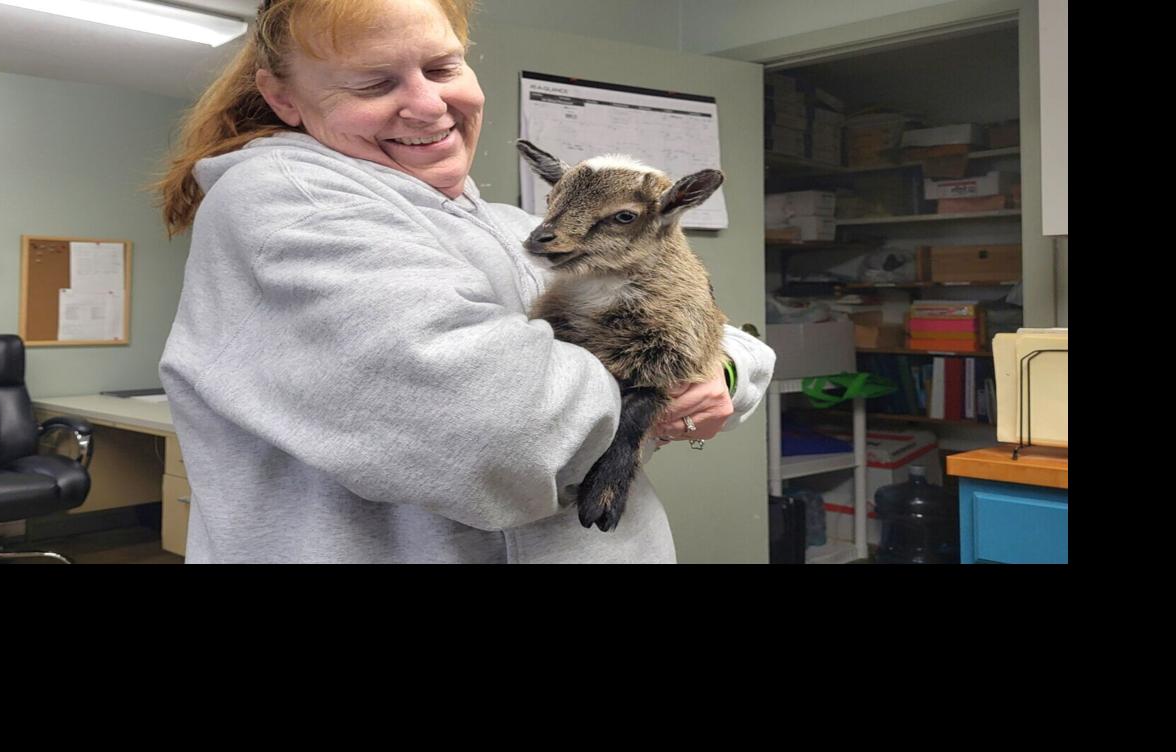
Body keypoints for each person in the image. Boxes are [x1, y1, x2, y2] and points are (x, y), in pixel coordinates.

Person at [154, 0, 774, 563]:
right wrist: (651, 396)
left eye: (443, 68)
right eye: (375, 82)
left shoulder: (512, 227)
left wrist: (718, 375)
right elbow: (509, 434)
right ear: (283, 97)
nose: (428, 105)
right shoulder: (291, 203)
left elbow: (716, 328)